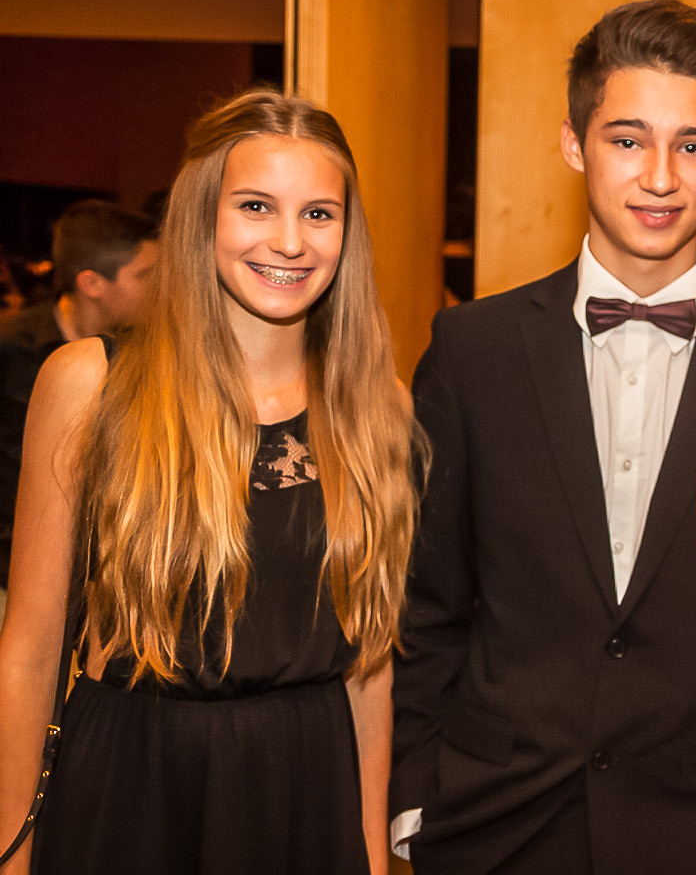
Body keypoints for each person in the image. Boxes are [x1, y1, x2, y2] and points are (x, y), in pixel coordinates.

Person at [390, 0, 696, 874]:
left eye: (692, 146)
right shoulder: (472, 350)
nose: (660, 177)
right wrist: (415, 800)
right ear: (574, 144)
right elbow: (425, 602)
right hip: (492, 822)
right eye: (628, 140)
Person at [0, 89, 424, 875]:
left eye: (319, 214)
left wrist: (370, 856)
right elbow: (27, 650)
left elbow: (370, 670)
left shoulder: (377, 407)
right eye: (256, 206)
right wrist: (11, 853)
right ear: (203, 214)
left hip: (304, 791)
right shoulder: (93, 384)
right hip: (130, 785)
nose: (289, 241)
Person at [0, 200, 156, 609]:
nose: (162, 288)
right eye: (146, 275)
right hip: (11, 579)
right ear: (91, 284)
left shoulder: (147, 354)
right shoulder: (12, 350)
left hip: (103, 585)